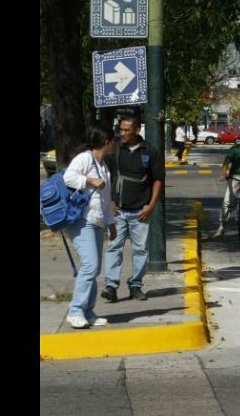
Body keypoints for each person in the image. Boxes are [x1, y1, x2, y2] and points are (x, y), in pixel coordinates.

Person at [101, 116, 165, 302]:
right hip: (118, 210)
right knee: (114, 247)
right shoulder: (115, 149)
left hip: (140, 212)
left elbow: (158, 179)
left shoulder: (149, 151)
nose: (122, 133)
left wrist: (151, 206)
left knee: (140, 250)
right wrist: (109, 201)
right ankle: (111, 286)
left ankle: (135, 285)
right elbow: (104, 176)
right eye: (120, 129)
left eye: (126, 130)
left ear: (137, 130)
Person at [62, 125, 118, 328]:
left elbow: (106, 199)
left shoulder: (104, 166)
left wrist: (111, 224)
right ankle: (75, 311)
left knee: (94, 269)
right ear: (106, 142)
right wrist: (90, 180)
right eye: (113, 140)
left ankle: (87, 311)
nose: (115, 144)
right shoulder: (85, 158)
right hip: (81, 220)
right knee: (90, 266)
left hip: (97, 221)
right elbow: (68, 177)